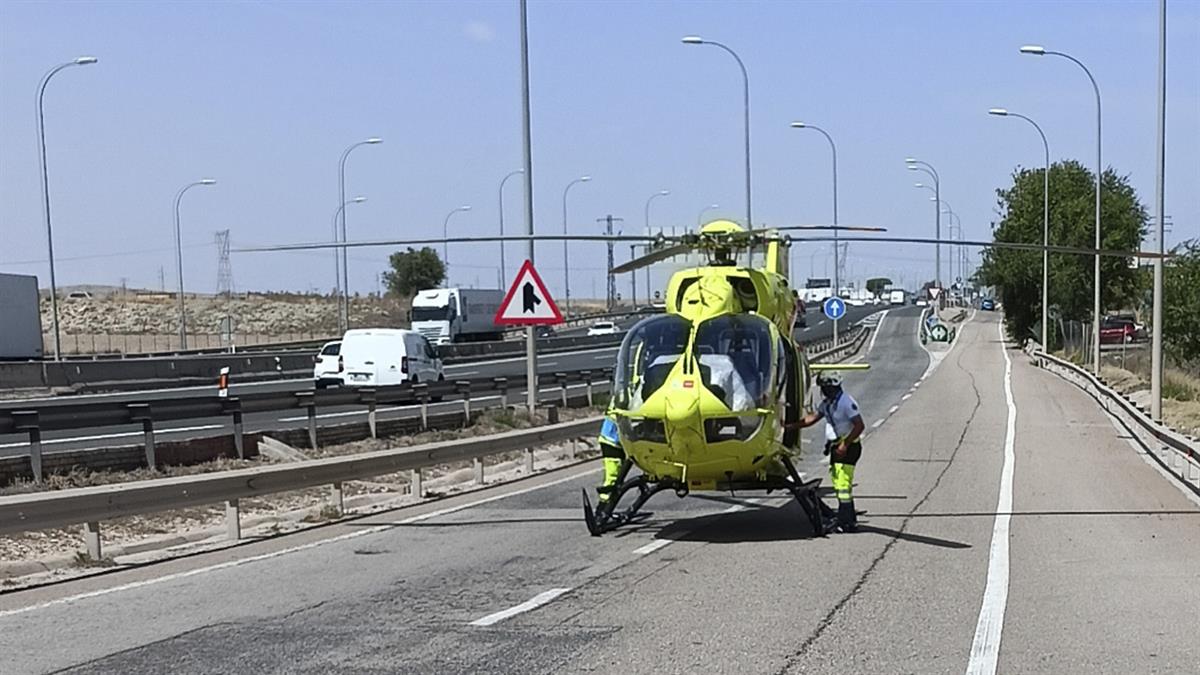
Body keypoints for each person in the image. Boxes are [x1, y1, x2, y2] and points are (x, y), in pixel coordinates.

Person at [795, 370, 866, 532]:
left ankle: (846, 522)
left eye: (824, 388)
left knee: (843, 484)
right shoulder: (828, 403)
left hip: (849, 448)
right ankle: (848, 519)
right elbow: (811, 419)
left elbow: (859, 425)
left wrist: (845, 445)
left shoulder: (846, 402)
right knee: (840, 483)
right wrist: (790, 426)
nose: (822, 391)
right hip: (837, 447)